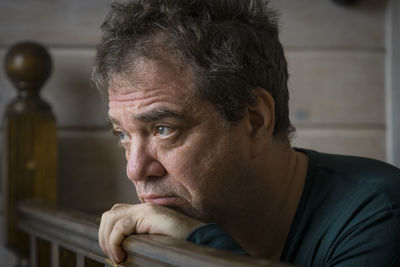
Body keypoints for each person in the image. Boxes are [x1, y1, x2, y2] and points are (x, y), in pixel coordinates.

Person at [92, 0, 400, 266]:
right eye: (123, 134)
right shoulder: (167, 234)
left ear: (254, 120)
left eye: (163, 129)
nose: (135, 170)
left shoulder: (380, 215)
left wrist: (198, 244)